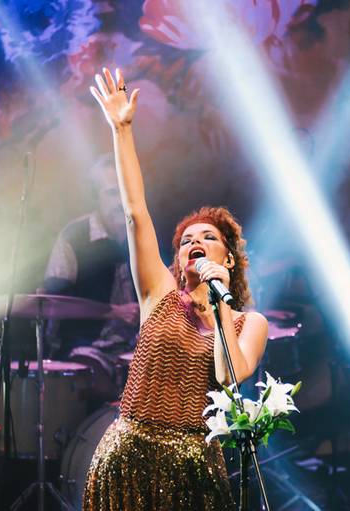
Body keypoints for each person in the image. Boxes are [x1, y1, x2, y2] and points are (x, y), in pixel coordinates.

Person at [82, 67, 268, 510]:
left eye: (207, 238)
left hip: (193, 464)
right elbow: (134, 212)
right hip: (128, 453)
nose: (194, 243)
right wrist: (122, 130)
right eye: (186, 239)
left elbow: (228, 377)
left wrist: (221, 301)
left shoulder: (249, 322)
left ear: (227, 258)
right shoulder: (159, 294)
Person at [41, 154, 139, 400]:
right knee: (95, 378)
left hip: (133, 347)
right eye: (112, 193)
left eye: (126, 193)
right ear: (96, 197)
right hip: (83, 346)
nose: (121, 202)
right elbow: (53, 304)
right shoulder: (76, 236)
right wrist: (114, 312)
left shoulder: (142, 234)